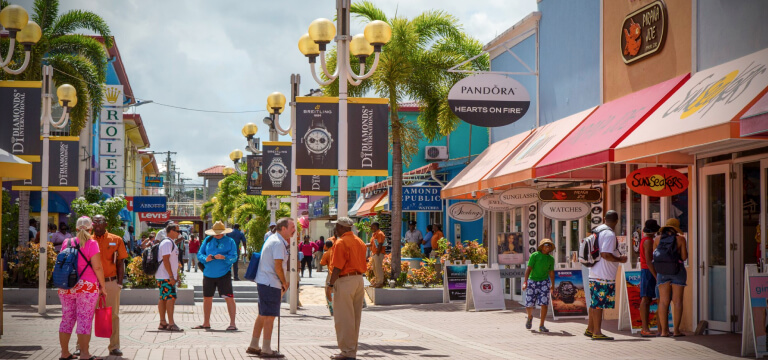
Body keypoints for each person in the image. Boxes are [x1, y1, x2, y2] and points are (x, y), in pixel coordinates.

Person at [57, 216, 107, 360]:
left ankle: (64, 353)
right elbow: (97, 267)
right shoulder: (92, 243)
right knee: (84, 319)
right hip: (87, 287)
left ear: (76, 228)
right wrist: (103, 287)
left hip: (67, 285)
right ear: (90, 228)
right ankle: (85, 354)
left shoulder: (67, 242)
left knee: (67, 319)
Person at [247, 217, 293, 358]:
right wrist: (284, 282)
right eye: (292, 227)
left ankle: (254, 345)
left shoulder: (274, 240)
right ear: (283, 228)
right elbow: (278, 266)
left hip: (265, 282)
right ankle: (266, 348)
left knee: (263, 314)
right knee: (269, 316)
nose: (294, 230)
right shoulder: (278, 243)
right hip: (270, 283)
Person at [325, 217, 367, 360]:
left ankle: (347, 352)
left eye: (337, 226)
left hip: (345, 280)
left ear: (342, 227)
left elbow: (337, 267)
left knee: (344, 318)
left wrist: (330, 285)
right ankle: (351, 350)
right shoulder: (360, 241)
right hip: (359, 280)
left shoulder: (341, 242)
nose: (335, 229)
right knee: (355, 318)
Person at [86, 214, 128, 357]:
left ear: (106, 223)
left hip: (111, 283)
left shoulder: (116, 239)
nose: (97, 225)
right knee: (86, 316)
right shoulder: (86, 240)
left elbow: (121, 262)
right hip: (90, 284)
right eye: (95, 222)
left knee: (113, 316)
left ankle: (114, 347)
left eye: (100, 222)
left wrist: (120, 284)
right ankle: (82, 347)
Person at [586, 210, 626, 341]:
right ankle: (597, 332)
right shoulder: (609, 234)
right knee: (599, 305)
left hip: (594, 272)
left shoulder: (597, 231)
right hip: (603, 274)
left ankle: (590, 329)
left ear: (604, 218)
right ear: (617, 221)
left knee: (594, 303)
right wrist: (621, 259)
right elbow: (605, 254)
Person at [194, 221, 239, 331]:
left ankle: (232, 323)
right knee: (207, 298)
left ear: (223, 232)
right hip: (208, 273)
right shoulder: (208, 240)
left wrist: (223, 257)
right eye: (215, 233)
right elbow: (199, 254)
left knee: (229, 298)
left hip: (224, 274)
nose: (216, 235)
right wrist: (206, 258)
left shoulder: (230, 241)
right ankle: (206, 323)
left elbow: (234, 257)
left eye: (219, 233)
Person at [654, 218, 688, 337]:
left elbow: (656, 256)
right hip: (677, 271)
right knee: (677, 301)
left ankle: (664, 331)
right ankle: (676, 331)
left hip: (662, 272)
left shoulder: (657, 239)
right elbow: (684, 257)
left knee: (663, 302)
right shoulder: (681, 239)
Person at [155, 222, 184, 332]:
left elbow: (171, 261)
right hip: (166, 276)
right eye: (177, 231)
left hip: (165, 276)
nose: (179, 233)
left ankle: (163, 322)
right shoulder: (167, 243)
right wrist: (171, 276)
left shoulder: (169, 242)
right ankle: (171, 323)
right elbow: (166, 260)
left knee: (163, 298)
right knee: (170, 298)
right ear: (171, 231)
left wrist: (176, 276)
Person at [523, 238, 555, 332]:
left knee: (544, 304)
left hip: (544, 282)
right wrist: (525, 282)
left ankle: (542, 325)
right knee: (529, 304)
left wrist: (552, 285)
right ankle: (529, 317)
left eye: (549, 245)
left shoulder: (550, 259)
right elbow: (528, 269)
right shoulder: (535, 255)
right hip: (532, 281)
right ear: (541, 247)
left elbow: (551, 273)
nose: (548, 247)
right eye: (546, 245)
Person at [639, 219, 661, 337]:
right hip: (647, 271)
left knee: (647, 299)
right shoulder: (648, 241)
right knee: (646, 299)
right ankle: (645, 328)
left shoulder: (648, 240)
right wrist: (655, 275)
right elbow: (648, 261)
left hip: (648, 270)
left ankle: (647, 327)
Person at [369, 222, 386, 288]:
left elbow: (380, 244)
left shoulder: (380, 233)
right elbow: (372, 244)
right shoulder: (374, 234)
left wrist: (377, 253)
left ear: (375, 226)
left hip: (378, 253)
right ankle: (377, 282)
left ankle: (380, 282)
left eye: (372, 226)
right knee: (375, 268)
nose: (371, 228)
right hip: (374, 253)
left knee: (378, 268)